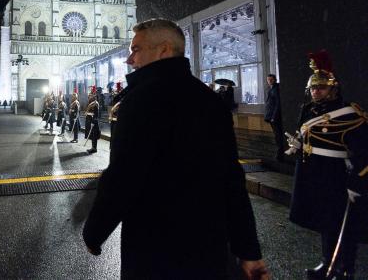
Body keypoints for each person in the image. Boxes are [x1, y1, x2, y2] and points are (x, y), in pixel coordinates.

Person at [82, 18, 268, 279]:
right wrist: (248, 251)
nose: (129, 59)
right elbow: (231, 180)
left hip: (155, 247)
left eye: (136, 49)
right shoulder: (210, 101)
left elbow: (124, 176)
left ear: (164, 49)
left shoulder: (140, 101)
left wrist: (95, 232)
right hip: (208, 247)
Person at [287, 50, 368, 280]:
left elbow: (364, 151)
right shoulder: (310, 110)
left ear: (333, 89)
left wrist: (357, 181)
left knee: (344, 226)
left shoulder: (349, 114)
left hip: (338, 177)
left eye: (321, 87)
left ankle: (345, 269)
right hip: (315, 175)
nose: (316, 91)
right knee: (326, 223)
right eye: (313, 88)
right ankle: (327, 263)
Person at [264, 74, 286, 161]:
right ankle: (279, 152)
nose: (269, 81)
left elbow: (277, 103)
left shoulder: (276, 89)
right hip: (271, 116)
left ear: (275, 80)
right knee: (277, 135)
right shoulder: (271, 88)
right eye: (268, 80)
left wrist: (274, 116)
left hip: (274, 117)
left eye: (271, 79)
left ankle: (280, 153)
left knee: (278, 135)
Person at [84, 86, 101, 154]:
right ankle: (93, 147)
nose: (89, 96)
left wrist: (93, 121)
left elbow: (96, 114)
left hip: (94, 121)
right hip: (90, 120)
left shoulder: (95, 103)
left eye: (90, 95)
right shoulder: (90, 103)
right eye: (89, 94)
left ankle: (94, 148)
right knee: (92, 135)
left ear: (94, 96)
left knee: (94, 135)